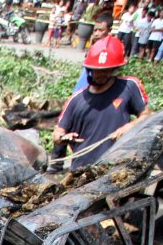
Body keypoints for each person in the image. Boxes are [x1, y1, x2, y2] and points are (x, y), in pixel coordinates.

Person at [53, 36, 149, 170]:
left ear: (114, 69)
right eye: (97, 70)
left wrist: (130, 126)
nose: (100, 74)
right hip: (82, 169)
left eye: (105, 70)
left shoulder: (129, 87)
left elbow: (147, 116)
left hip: (116, 167)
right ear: (90, 70)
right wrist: (62, 137)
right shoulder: (76, 99)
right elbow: (58, 132)